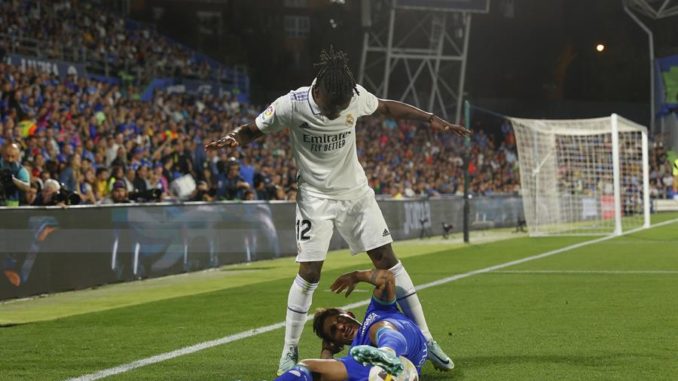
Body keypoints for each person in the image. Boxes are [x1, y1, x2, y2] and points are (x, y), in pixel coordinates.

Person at [205, 46, 468, 375]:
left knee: (388, 261)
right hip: (315, 198)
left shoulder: (353, 95)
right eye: (332, 108)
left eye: (342, 109)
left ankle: (427, 341)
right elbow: (253, 129)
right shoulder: (291, 104)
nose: (336, 113)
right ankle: (289, 352)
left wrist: (431, 119)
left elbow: (386, 107)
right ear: (319, 91)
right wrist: (233, 138)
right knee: (310, 272)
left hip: (356, 193)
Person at [275, 268, 427, 381]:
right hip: (383, 370)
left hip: (409, 343)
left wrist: (356, 276)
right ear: (336, 342)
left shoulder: (377, 310)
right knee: (307, 366)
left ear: (350, 315)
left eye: (340, 320)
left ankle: (387, 352)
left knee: (376, 328)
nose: (340, 327)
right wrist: (327, 351)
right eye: (334, 331)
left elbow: (387, 278)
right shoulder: (356, 354)